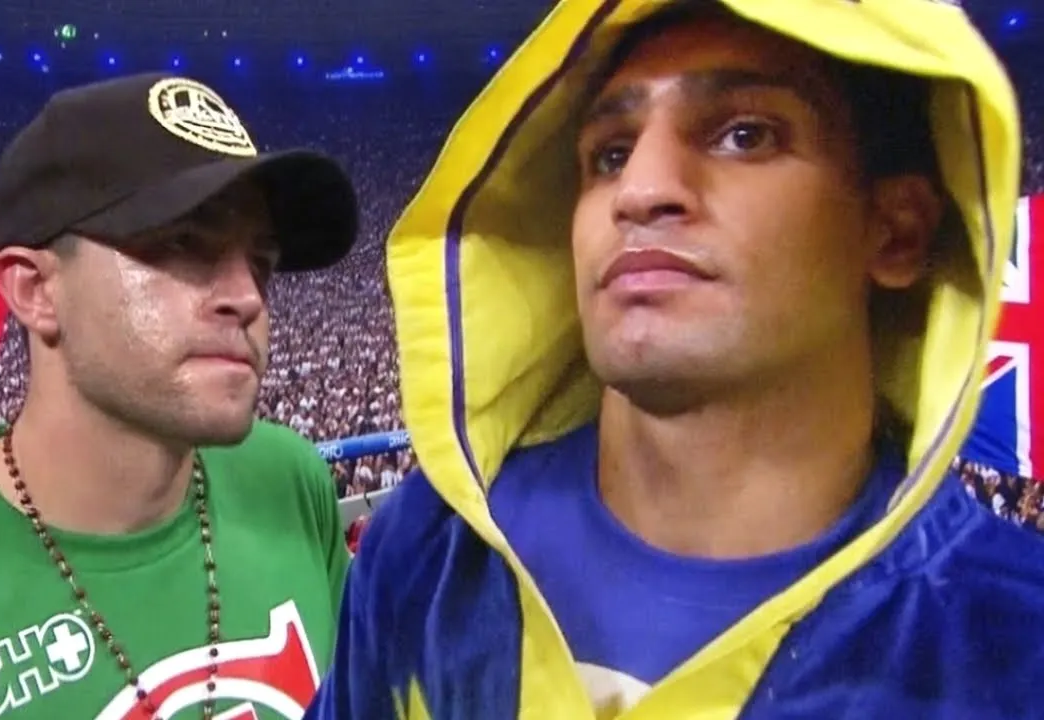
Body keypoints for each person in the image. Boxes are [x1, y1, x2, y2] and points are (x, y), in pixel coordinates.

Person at [309, 1, 1044, 718]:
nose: (639, 190)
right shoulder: (431, 548)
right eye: (610, 155)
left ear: (897, 232)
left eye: (745, 135)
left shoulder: (1011, 645)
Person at [0, 73, 357, 720]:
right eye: (184, 244)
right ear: (35, 290)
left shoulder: (289, 482)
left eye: (261, 263)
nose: (246, 298)